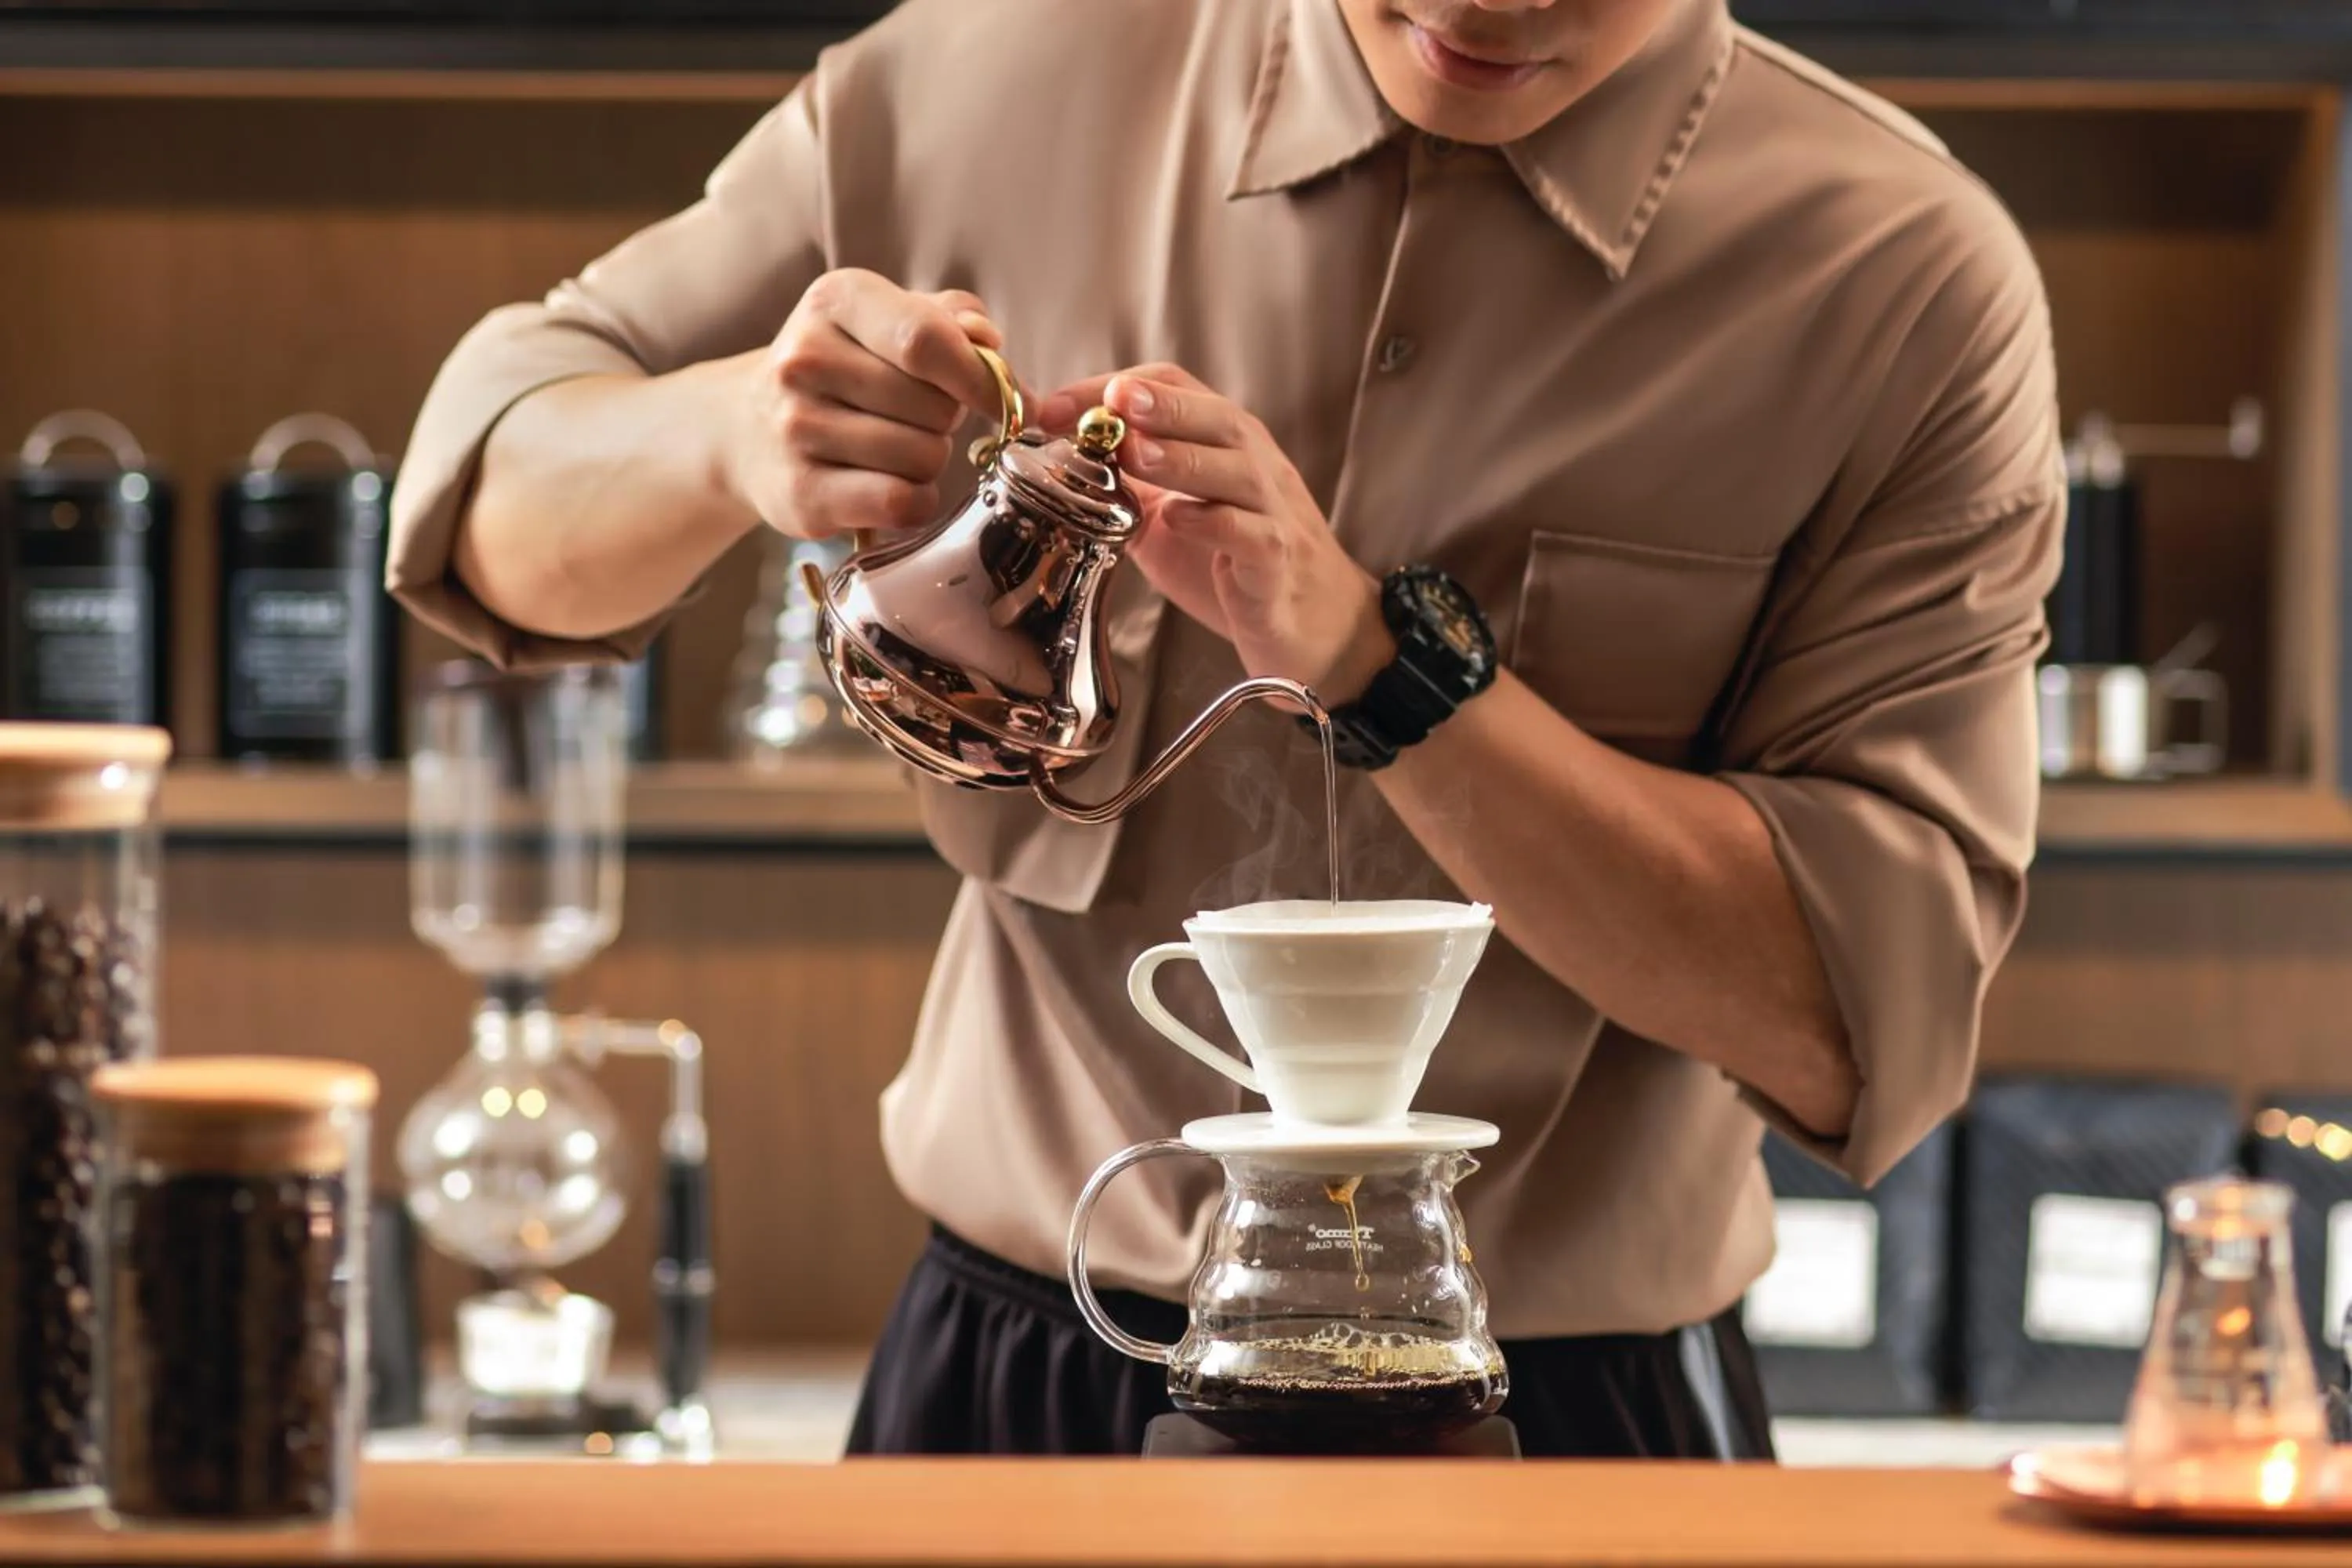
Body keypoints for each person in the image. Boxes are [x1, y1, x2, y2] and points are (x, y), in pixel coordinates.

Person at [389, 0, 2062, 1458]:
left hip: (1578, 1420)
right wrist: (729, 431)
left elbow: (1864, 1017)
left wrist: (1378, 661)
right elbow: (483, 518)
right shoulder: (977, 74)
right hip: (1010, 1386)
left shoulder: (1905, 281)